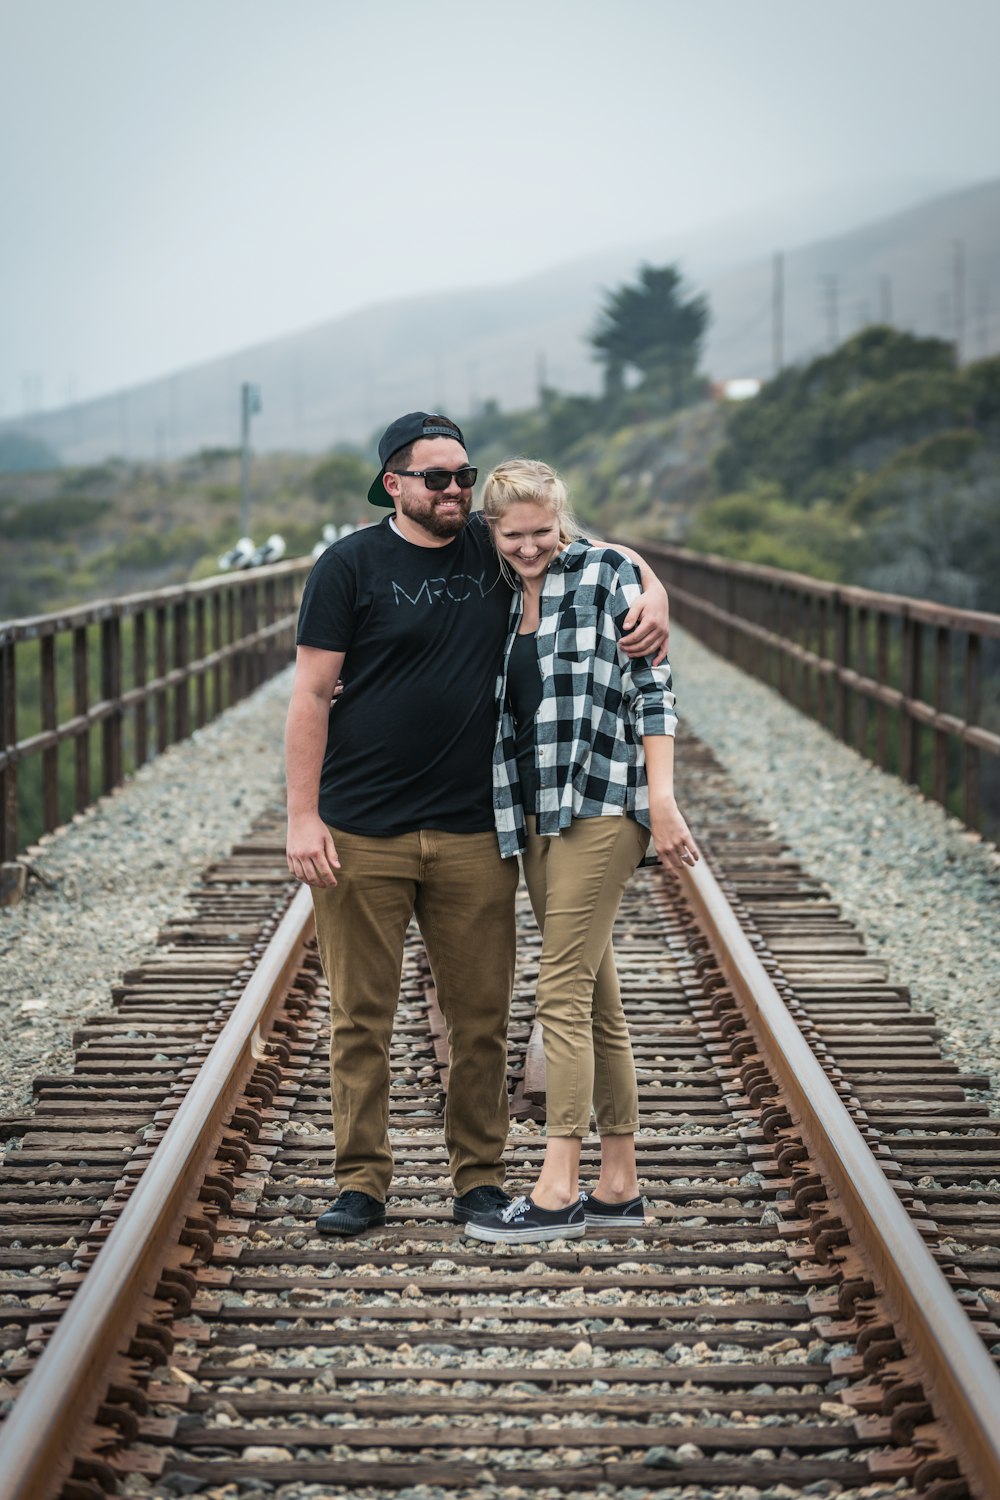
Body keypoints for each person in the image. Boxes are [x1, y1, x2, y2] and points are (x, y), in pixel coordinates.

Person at [285, 412, 671, 1236]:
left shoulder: (494, 550)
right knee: (360, 1016)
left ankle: (480, 1181)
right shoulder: (347, 565)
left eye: (464, 476)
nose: (455, 489)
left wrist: (655, 587)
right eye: (437, 478)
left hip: (475, 827)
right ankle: (361, 1182)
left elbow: (581, 547)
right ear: (394, 483)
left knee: (482, 1019)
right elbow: (311, 694)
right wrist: (302, 816)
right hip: (362, 828)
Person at [465, 458, 699, 1246]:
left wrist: (660, 799)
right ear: (493, 530)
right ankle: (620, 1182)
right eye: (515, 535)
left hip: (603, 803)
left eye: (543, 532)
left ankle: (557, 1188)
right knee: (598, 997)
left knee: (558, 989)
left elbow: (654, 686)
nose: (531, 548)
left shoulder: (601, 572)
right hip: (534, 812)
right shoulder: (494, 587)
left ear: (562, 520)